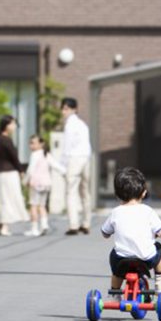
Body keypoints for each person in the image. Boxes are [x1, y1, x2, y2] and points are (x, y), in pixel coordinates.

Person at [101, 167, 161, 299]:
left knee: (115, 263)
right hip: (146, 259)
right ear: (143, 193)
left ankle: (115, 292)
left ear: (117, 194)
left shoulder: (115, 212)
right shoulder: (148, 211)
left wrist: (108, 234)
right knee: (159, 248)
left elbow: (105, 232)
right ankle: (159, 280)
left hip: (121, 260)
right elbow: (160, 231)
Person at [0, 115, 29, 236]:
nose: (14, 126)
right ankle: (5, 227)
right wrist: (21, 171)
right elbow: (14, 158)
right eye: (13, 124)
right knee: (9, 199)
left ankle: (0, 225)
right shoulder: (7, 140)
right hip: (9, 173)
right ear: (6, 126)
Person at [60, 97, 92, 235]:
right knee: (85, 192)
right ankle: (86, 223)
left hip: (74, 158)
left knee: (71, 191)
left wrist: (63, 164)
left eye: (66, 108)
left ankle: (74, 224)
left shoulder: (69, 125)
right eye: (63, 108)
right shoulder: (83, 124)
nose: (64, 111)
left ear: (74, 109)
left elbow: (67, 146)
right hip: (86, 158)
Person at [22, 135, 66, 236]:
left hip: (36, 184)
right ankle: (44, 224)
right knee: (42, 206)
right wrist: (65, 172)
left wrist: (25, 181)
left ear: (41, 144)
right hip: (46, 184)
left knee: (33, 205)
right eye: (30, 143)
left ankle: (34, 229)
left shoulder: (35, 155)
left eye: (33, 143)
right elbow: (56, 165)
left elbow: (30, 170)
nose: (31, 145)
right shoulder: (47, 154)